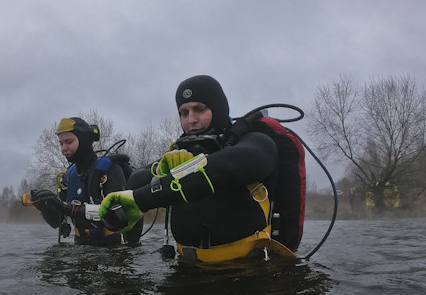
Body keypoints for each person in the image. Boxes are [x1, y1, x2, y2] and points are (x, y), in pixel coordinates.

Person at [99, 75, 298, 262]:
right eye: (183, 113)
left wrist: (147, 196)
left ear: (218, 109)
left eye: (200, 109)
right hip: (185, 272)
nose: (191, 120)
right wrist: (160, 171)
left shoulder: (255, 142)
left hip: (246, 273)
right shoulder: (177, 154)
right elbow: (136, 180)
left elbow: (231, 165)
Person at [29, 117, 141, 246]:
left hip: (113, 247)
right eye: (61, 143)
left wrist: (67, 208)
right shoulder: (68, 176)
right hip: (80, 244)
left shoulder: (110, 170)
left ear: (84, 140)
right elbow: (60, 226)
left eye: (68, 142)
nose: (63, 148)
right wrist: (45, 207)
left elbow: (118, 218)